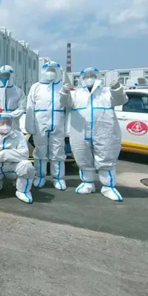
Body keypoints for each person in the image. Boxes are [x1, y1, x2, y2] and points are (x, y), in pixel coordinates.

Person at [63, 67, 128, 201]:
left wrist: (117, 88)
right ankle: (87, 183)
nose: (89, 78)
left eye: (92, 75)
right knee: (82, 156)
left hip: (104, 131)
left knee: (106, 157)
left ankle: (108, 187)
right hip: (80, 131)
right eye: (86, 76)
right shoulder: (76, 94)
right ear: (81, 78)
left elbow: (121, 100)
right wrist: (64, 92)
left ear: (98, 77)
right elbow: (65, 103)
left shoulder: (106, 92)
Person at [25, 61, 68, 190]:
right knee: (40, 150)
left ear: (58, 72)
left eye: (53, 70)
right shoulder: (36, 87)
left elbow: (69, 109)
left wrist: (68, 128)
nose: (51, 73)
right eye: (48, 70)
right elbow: (30, 107)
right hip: (40, 124)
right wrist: (29, 126)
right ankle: (40, 176)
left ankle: (58, 178)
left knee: (58, 151)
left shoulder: (62, 87)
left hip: (58, 122)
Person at [0, 113, 35, 203]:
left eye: (8, 122)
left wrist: (4, 154)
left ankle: (23, 191)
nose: (5, 125)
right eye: (2, 122)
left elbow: (24, 154)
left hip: (12, 167)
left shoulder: (19, 135)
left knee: (26, 165)